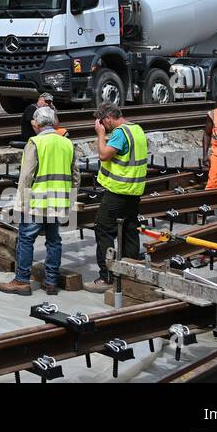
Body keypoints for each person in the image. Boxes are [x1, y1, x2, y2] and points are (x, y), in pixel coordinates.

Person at [0, 105, 80, 296]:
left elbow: (26, 176)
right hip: (59, 201)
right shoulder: (67, 143)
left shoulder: (35, 142)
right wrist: (70, 200)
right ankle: (51, 282)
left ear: (36, 124)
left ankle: (22, 281)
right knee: (54, 240)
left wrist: (20, 204)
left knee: (26, 239)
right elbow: (75, 175)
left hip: (37, 201)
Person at [86, 101, 148, 293]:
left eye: (102, 122)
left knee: (103, 228)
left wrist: (100, 135)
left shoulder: (120, 133)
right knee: (129, 230)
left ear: (108, 118)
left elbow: (104, 155)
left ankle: (107, 276)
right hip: (134, 191)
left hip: (118, 192)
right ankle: (130, 274)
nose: (103, 126)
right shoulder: (136, 129)